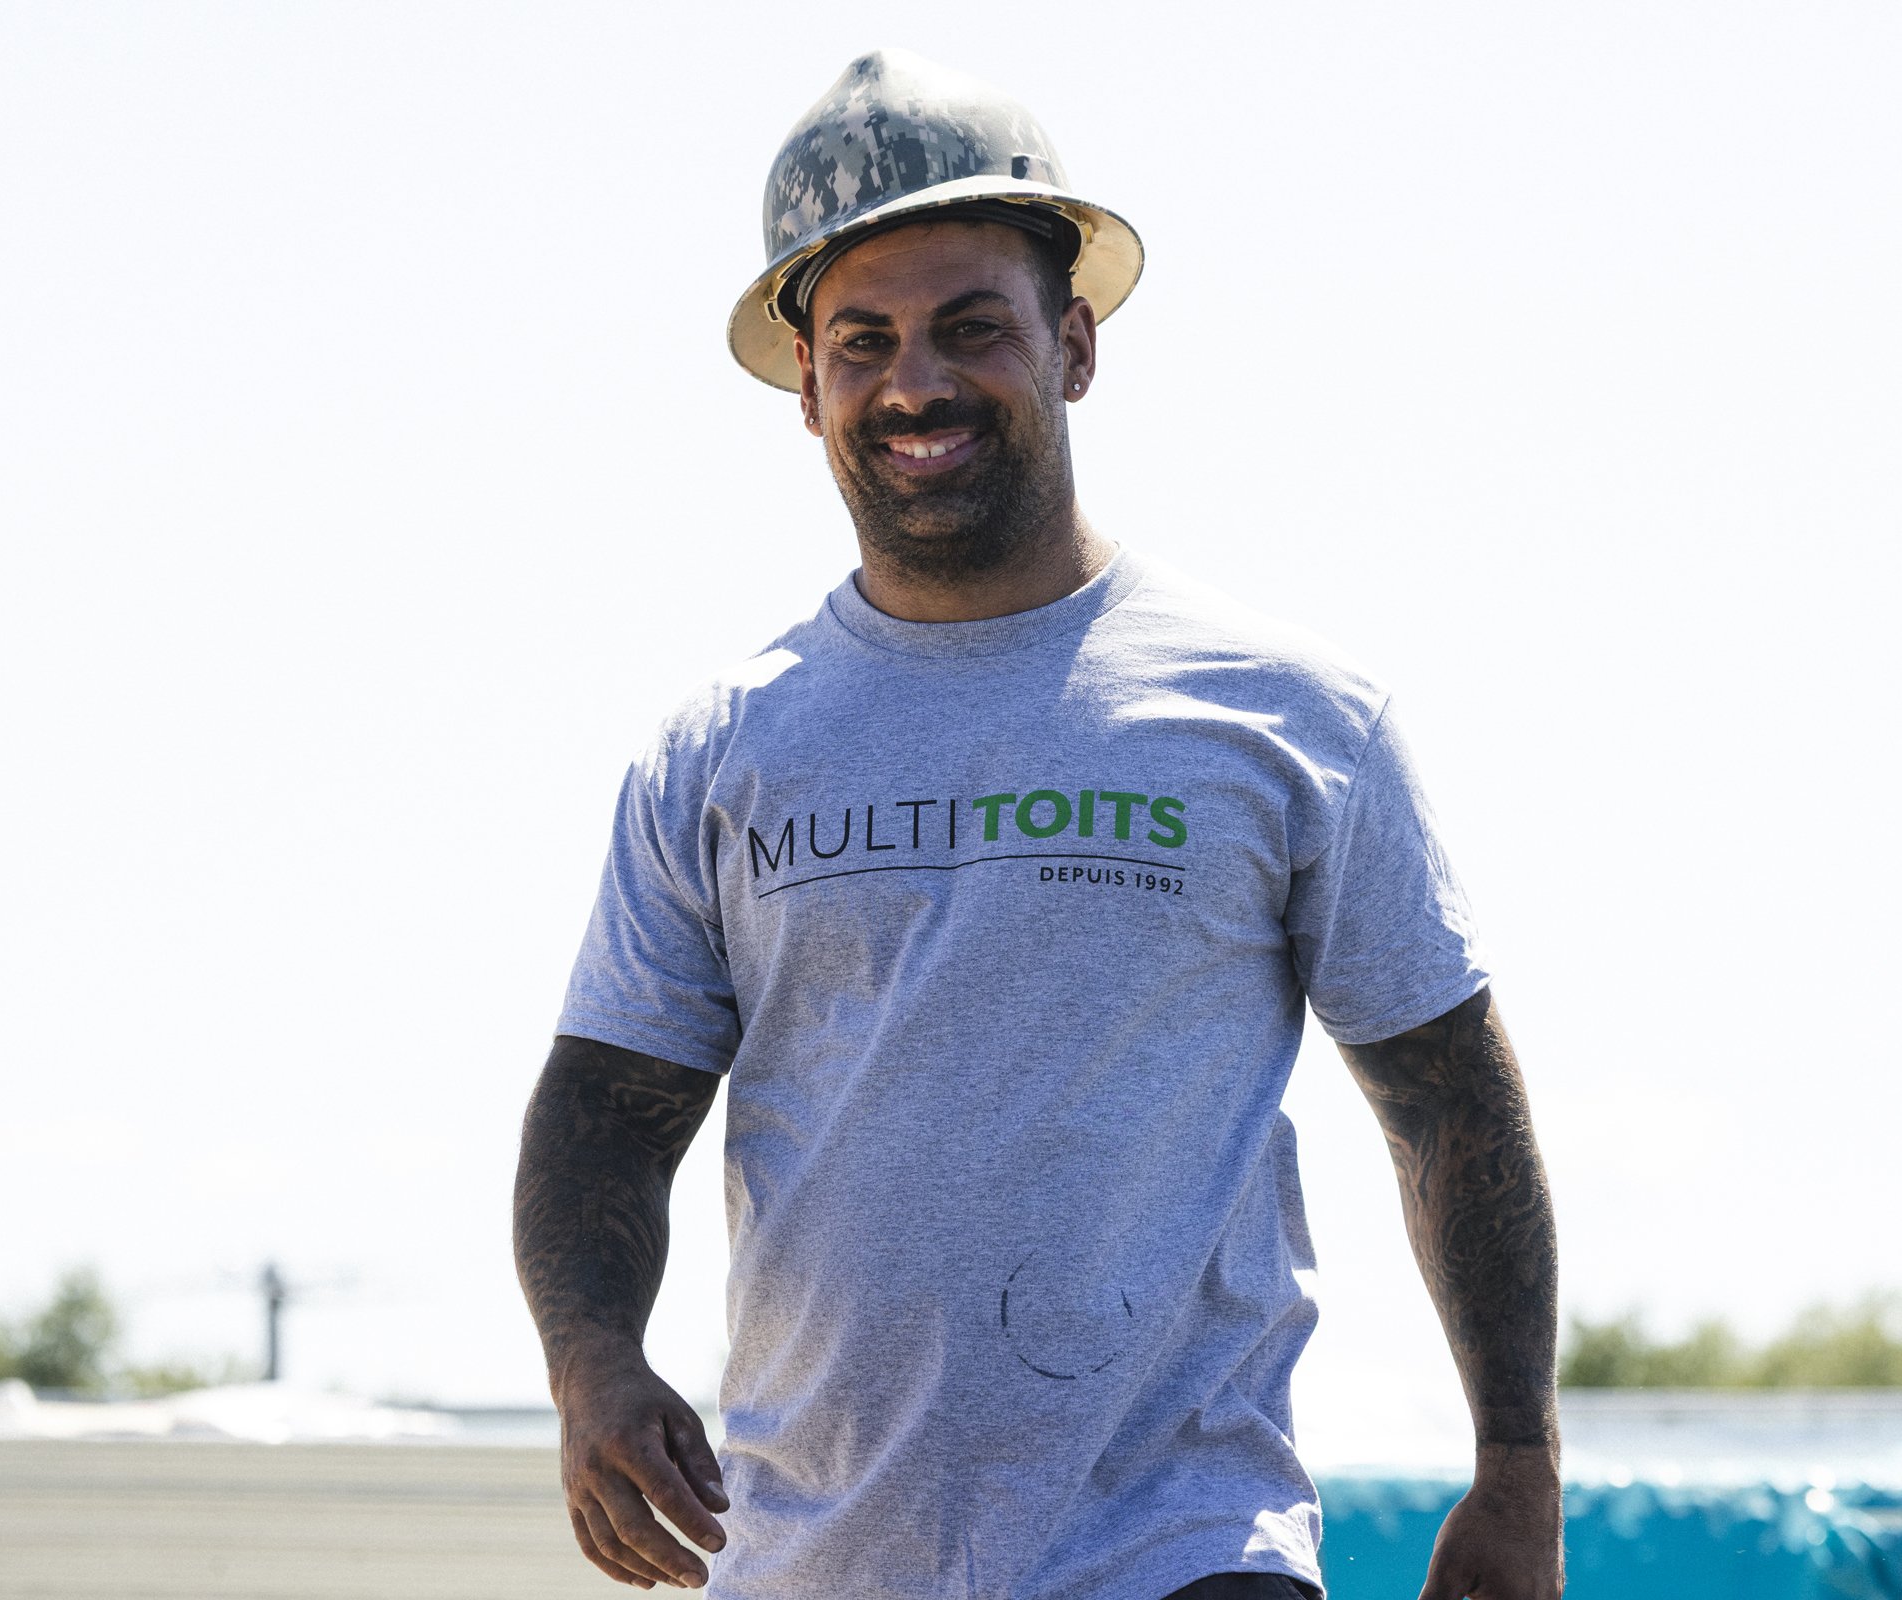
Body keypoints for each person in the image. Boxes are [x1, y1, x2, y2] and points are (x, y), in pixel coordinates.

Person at [513, 48, 1562, 1600]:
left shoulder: (1287, 718)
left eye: (971, 327)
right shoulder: (721, 753)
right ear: (805, 382)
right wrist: (593, 1362)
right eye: (863, 340)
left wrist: (1519, 1463)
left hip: (1183, 1549)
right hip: (818, 1561)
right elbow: (606, 1107)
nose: (915, 384)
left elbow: (1449, 1103)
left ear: (1072, 346)